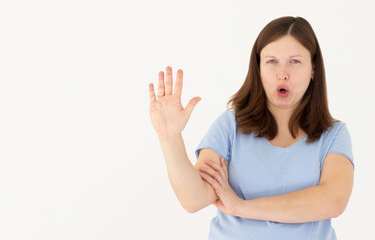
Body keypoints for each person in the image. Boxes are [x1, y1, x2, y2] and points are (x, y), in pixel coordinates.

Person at [148, 16, 354, 240]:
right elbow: (194, 199)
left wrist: (240, 206)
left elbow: (332, 201)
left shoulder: (334, 134)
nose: (282, 73)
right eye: (271, 61)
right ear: (258, 68)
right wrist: (170, 137)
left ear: (313, 69)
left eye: (294, 61)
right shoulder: (229, 127)